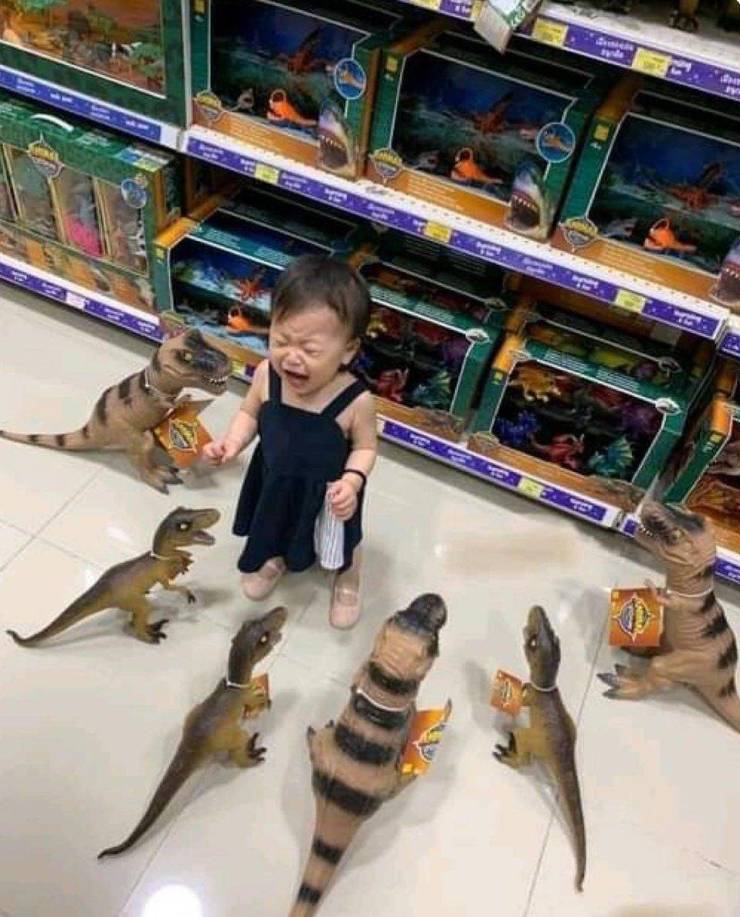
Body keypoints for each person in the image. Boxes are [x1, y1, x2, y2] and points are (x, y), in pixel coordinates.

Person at [203, 255, 377, 629]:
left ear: (348, 350)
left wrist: (352, 482)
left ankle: (348, 576)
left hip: (330, 492)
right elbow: (250, 413)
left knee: (343, 537)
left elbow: (365, 448)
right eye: (280, 340)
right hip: (275, 479)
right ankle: (276, 556)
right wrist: (232, 442)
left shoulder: (356, 401)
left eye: (310, 350)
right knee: (278, 521)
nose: (292, 358)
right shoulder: (267, 374)